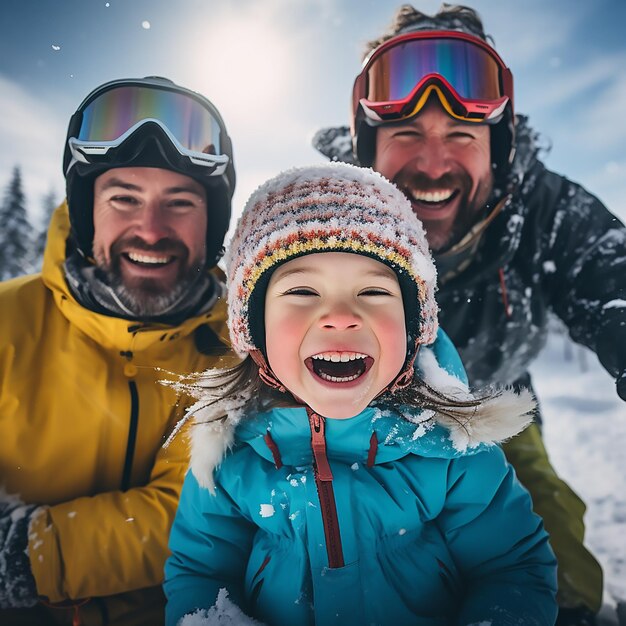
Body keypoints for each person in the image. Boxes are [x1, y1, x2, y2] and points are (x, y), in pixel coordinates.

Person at [313, 5, 626, 623]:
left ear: (499, 148)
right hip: (360, 418)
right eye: (407, 135)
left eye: (461, 136)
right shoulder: (325, 213)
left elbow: (610, 274)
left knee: (551, 549)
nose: (433, 165)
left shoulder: (541, 207)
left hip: (498, 406)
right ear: (367, 147)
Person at [163, 163, 558, 626]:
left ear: (414, 327)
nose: (340, 316)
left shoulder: (453, 452)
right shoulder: (231, 455)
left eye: (372, 291)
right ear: (254, 329)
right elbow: (201, 572)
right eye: (304, 290)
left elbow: (511, 569)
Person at [0, 76, 239, 626]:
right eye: (123, 198)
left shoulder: (242, 349)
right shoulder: (8, 325)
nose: (150, 231)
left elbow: (206, 511)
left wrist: (28, 555)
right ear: (86, 212)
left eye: (179, 202)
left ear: (214, 222)